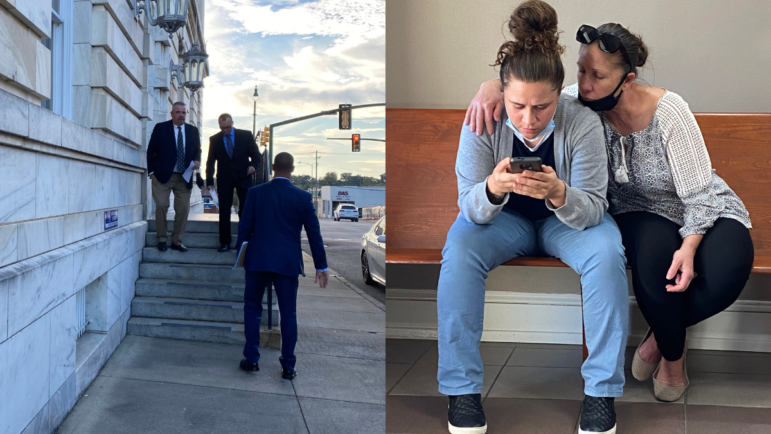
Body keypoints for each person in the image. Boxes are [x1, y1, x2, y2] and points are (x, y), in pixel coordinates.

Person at [467, 22, 754, 403]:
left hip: (702, 207)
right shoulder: (580, 104)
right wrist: (491, 87)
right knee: (657, 275)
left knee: (727, 275)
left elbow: (701, 194)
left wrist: (690, 245)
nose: (584, 83)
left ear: (628, 79)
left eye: (597, 75)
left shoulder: (670, 111)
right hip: (638, 212)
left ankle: (660, 337)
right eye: (582, 70)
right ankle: (673, 357)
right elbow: (533, 91)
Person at [438, 2, 629, 433]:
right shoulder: (483, 119)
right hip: (503, 222)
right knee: (460, 246)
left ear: (559, 95)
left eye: (541, 107)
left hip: (565, 224)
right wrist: (492, 189)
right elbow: (467, 204)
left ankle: (601, 394)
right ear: (501, 94)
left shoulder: (580, 121)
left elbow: (595, 207)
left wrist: (560, 194)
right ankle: (462, 391)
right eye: (517, 105)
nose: (527, 119)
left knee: (606, 252)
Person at [235, 152, 329, 380]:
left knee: (252, 307)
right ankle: (288, 365)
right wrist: (321, 267)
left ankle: (252, 359)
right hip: (287, 262)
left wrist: (241, 255)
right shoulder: (303, 197)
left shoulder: (255, 193)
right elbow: (314, 235)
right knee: (289, 313)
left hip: (258, 259)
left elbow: (244, 228)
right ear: (293, 169)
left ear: (273, 167)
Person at [146, 102, 202, 252]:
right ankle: (162, 238)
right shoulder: (161, 128)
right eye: (178, 112)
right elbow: (151, 150)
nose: (181, 115)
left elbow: (198, 150)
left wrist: (197, 160)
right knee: (162, 206)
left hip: (185, 176)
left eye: (184, 112)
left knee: (183, 209)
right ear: (172, 113)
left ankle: (177, 241)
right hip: (162, 176)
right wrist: (151, 172)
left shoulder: (192, 131)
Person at [206, 113, 263, 252]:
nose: (225, 130)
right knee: (224, 210)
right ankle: (225, 242)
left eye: (228, 127)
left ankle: (243, 242)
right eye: (222, 128)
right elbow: (211, 161)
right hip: (224, 178)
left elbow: (256, 156)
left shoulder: (245, 135)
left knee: (244, 210)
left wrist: (253, 166)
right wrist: (209, 180)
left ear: (232, 123)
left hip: (244, 176)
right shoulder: (215, 139)